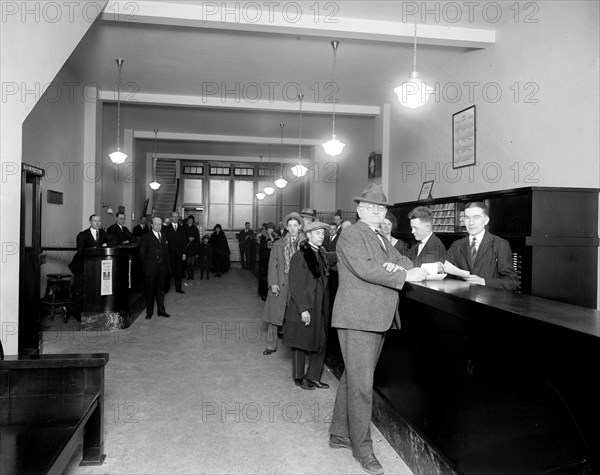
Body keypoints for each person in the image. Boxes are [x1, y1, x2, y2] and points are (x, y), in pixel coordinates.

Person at [329, 183, 428, 475]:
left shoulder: (381, 236)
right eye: (371, 207)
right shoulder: (351, 234)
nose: (377, 211)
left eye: (381, 207)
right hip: (358, 318)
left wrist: (400, 268)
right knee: (362, 386)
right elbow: (367, 269)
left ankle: (339, 433)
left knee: (353, 378)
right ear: (359, 209)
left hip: (375, 317)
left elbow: (401, 260)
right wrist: (403, 273)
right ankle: (363, 449)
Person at [283, 221, 330, 390]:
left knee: (321, 340)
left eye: (323, 234)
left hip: (319, 306)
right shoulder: (300, 256)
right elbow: (296, 284)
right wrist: (303, 309)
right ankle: (299, 377)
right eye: (318, 233)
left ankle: (313, 376)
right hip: (305, 306)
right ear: (308, 235)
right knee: (300, 342)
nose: (321, 236)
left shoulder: (321, 254)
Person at [444, 201, 519, 290]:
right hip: (461, 299)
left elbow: (512, 282)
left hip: (489, 300)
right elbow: (445, 271)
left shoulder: (500, 244)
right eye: (467, 218)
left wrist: (483, 282)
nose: (471, 223)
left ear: (486, 220)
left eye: (476, 218)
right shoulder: (457, 245)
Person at [261, 212, 305, 355]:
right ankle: (271, 345)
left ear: (299, 227)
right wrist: (273, 283)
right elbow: (272, 264)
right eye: (290, 225)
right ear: (287, 227)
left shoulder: (305, 245)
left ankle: (295, 345)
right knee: (274, 315)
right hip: (281, 283)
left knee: (296, 315)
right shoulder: (278, 243)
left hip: (297, 285)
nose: (292, 228)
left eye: (295, 225)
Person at [67, 214, 108, 322]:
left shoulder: (103, 233)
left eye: (99, 221)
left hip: (95, 267)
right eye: (95, 221)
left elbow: (112, 242)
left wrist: (106, 244)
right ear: (90, 222)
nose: (97, 223)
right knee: (80, 290)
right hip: (81, 265)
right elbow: (80, 250)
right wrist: (96, 248)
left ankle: (74, 311)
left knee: (91, 289)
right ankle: (73, 312)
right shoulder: (83, 234)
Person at [139, 216, 171, 319]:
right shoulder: (146, 236)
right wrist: (146, 267)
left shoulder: (164, 236)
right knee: (150, 292)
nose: (158, 226)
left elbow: (167, 253)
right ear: (152, 225)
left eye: (160, 224)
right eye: (156, 224)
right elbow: (142, 253)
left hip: (162, 269)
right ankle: (149, 313)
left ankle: (161, 311)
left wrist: (168, 268)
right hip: (150, 269)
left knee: (161, 291)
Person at [163, 211, 187, 293]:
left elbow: (184, 241)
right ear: (171, 218)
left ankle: (178, 288)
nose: (175, 218)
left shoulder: (182, 229)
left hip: (179, 254)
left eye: (177, 217)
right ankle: (166, 289)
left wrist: (184, 253)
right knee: (168, 272)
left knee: (179, 272)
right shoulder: (166, 229)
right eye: (174, 216)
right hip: (170, 255)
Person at [257, 223, 279, 301]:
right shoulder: (263, 236)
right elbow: (266, 246)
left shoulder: (276, 236)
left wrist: (271, 236)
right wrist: (269, 235)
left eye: (272, 228)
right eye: (269, 228)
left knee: (271, 276)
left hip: (272, 259)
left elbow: (274, 245)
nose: (271, 230)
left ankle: (270, 293)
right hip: (264, 259)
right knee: (263, 277)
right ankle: (263, 294)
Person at [184, 215, 200, 280]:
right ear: (187, 220)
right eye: (189, 219)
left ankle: (192, 276)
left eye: (191, 219)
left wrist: (193, 238)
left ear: (193, 221)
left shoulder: (195, 228)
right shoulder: (184, 227)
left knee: (192, 263)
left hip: (193, 247)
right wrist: (188, 239)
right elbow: (182, 237)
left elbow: (197, 238)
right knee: (187, 263)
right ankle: (188, 275)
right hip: (187, 248)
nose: (190, 220)